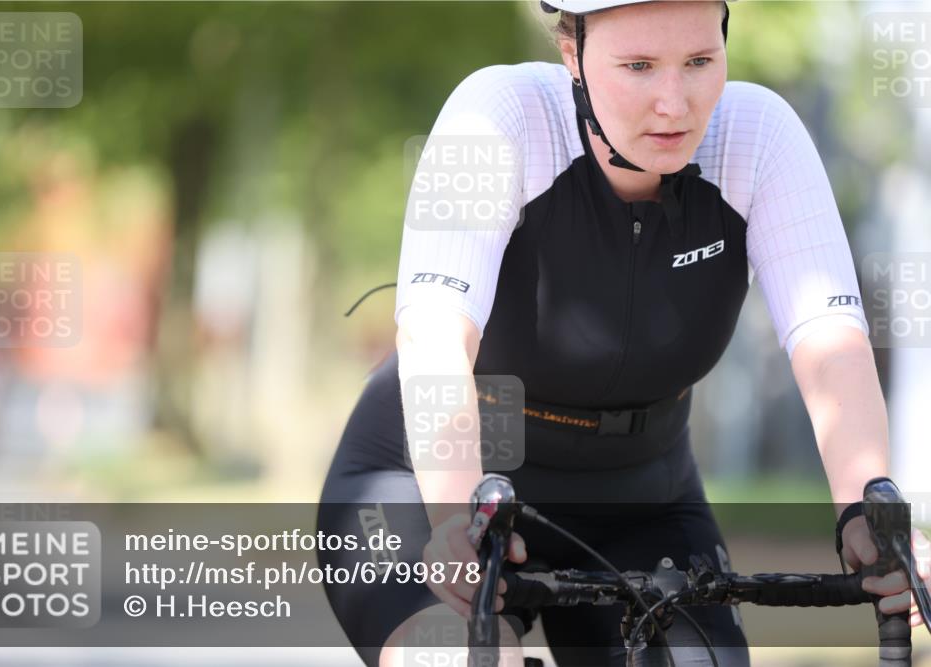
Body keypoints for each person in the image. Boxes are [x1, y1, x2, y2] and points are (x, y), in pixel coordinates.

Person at [316, 1, 930, 665]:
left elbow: (828, 336)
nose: (675, 104)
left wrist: (867, 507)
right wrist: (453, 522)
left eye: (699, 61)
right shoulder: (497, 116)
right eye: (638, 66)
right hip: (434, 479)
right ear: (572, 54)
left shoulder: (761, 135)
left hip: (641, 498)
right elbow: (437, 337)